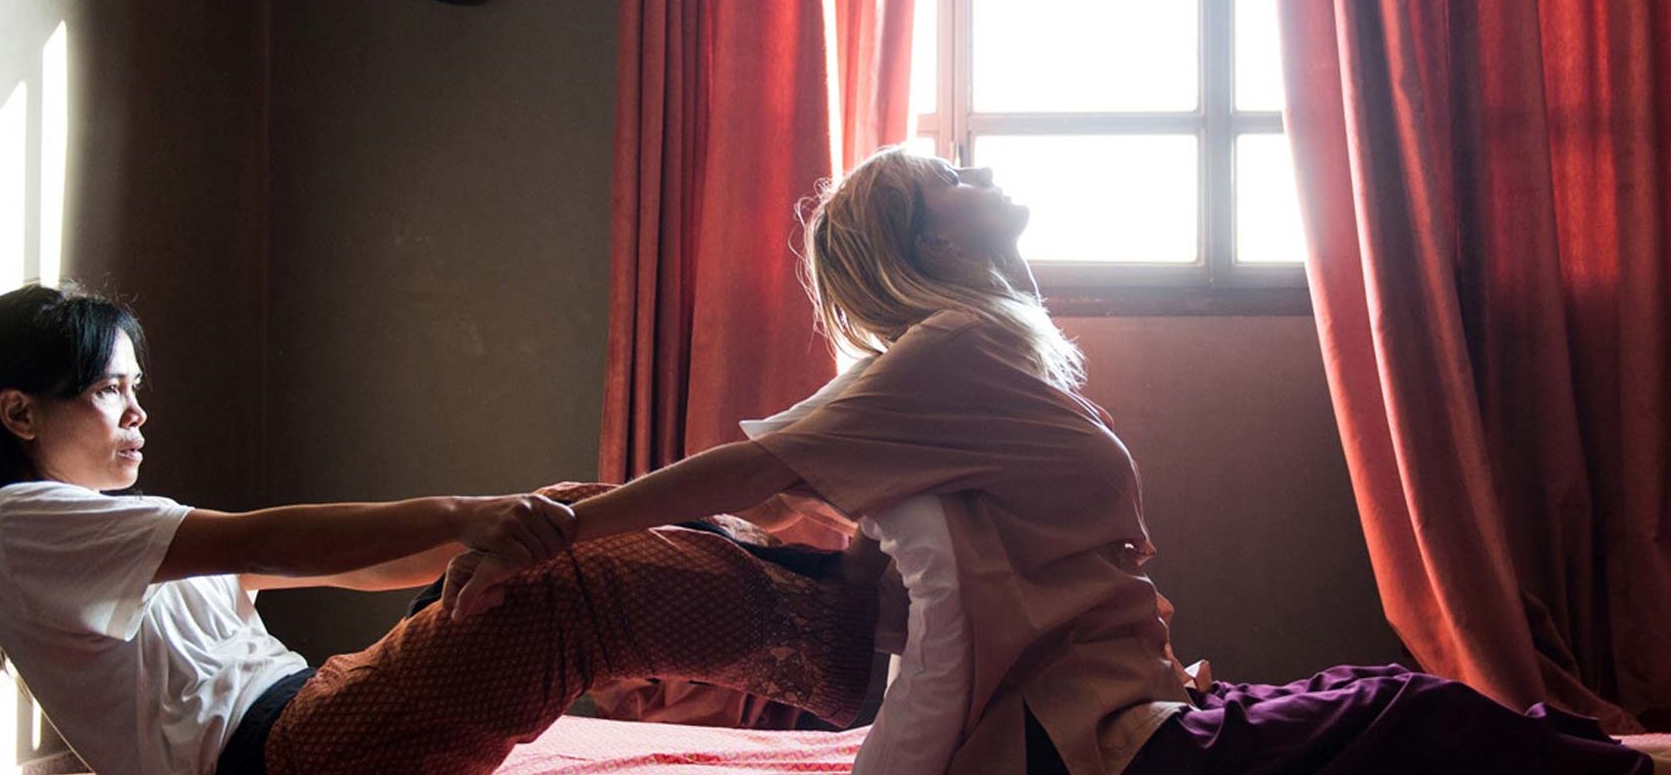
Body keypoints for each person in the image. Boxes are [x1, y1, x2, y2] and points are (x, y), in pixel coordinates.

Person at [446, 145, 1666, 775]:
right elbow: (750, 468)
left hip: (1139, 704)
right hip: (1092, 744)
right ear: (926, 241)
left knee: (1395, 704)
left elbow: (791, 488)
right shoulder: (950, 350)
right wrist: (562, 530)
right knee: (1418, 718)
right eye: (950, 180)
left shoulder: (987, 352)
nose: (979, 175)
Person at [0, 284, 885, 775]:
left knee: (560, 515)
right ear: (20, 412)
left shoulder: (100, 535)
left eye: (134, 387)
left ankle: (815, 584)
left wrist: (497, 528)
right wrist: (470, 519)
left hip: (320, 713)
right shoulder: (14, 527)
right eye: (112, 390)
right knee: (566, 582)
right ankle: (855, 646)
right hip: (289, 756)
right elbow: (264, 540)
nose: (138, 410)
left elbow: (358, 569)